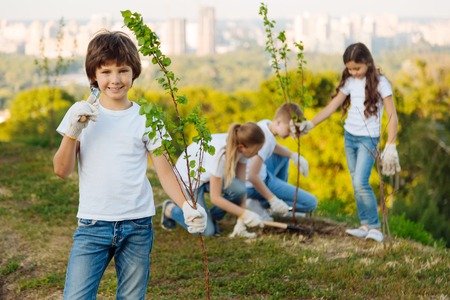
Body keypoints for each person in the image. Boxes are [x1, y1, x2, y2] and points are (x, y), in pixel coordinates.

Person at [53, 30, 207, 299]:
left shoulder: (147, 117)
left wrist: (187, 206)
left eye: (123, 71)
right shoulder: (80, 113)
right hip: (93, 225)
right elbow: (61, 170)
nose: (115, 80)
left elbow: (165, 172)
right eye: (106, 72)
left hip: (137, 226)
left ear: (134, 73)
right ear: (94, 76)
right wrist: (73, 132)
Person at [294, 42, 401, 243]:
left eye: (357, 68)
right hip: (349, 136)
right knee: (355, 182)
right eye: (349, 68)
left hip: (368, 139)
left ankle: (376, 227)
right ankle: (365, 225)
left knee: (361, 181)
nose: (353, 72)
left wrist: (391, 145)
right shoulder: (350, 81)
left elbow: (392, 116)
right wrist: (310, 124)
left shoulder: (381, 83)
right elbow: (332, 106)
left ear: (368, 63)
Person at [161, 122, 266, 239]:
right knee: (206, 231)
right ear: (242, 147)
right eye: (255, 150)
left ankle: (210, 217)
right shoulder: (221, 154)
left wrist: (241, 222)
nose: (257, 154)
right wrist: (245, 214)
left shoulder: (241, 148)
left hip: (206, 177)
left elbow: (242, 189)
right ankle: (170, 209)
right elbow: (215, 198)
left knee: (239, 189)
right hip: (188, 181)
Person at [245, 103, 318, 220]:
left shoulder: (265, 124)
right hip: (257, 182)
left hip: (258, 175)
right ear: (278, 122)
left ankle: (274, 200)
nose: (291, 134)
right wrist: (273, 200)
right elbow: (252, 175)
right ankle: (268, 204)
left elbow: (272, 147)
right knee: (311, 203)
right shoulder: (266, 139)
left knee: (283, 155)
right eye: (289, 130)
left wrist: (293, 156)